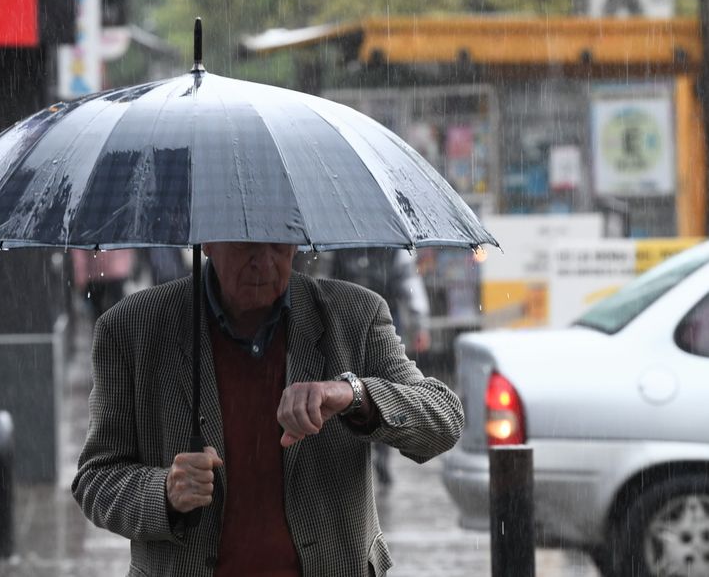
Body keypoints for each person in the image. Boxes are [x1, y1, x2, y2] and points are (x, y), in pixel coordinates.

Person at [72, 242, 463, 576]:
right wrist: (164, 492)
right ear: (207, 242)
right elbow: (96, 478)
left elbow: (444, 418)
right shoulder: (131, 329)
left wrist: (354, 395)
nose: (263, 262)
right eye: (245, 245)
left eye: (278, 244)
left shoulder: (354, 316)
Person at [330, 248, 433, 488]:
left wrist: (419, 322)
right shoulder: (390, 243)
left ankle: (375, 453)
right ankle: (375, 453)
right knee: (371, 389)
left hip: (358, 320)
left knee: (365, 388)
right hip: (373, 318)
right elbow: (409, 281)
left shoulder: (338, 241)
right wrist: (419, 321)